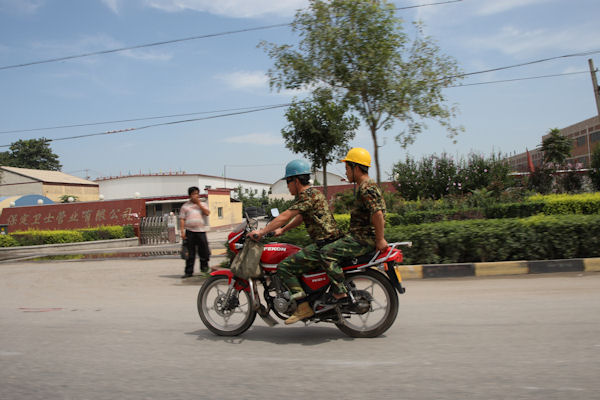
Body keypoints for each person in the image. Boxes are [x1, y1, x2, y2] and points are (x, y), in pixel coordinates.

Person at [249, 159, 343, 325]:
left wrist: (262, 231)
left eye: (288, 182)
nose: (288, 186)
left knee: (285, 267)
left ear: (296, 180)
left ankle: (302, 306)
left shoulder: (306, 196)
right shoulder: (314, 194)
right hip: (330, 241)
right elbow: (300, 217)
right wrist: (283, 230)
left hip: (324, 244)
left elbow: (286, 215)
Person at [320, 147, 387, 302]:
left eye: (347, 168)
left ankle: (340, 293)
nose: (346, 172)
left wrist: (380, 239)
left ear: (355, 168)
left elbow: (377, 214)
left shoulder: (366, 188)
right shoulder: (368, 185)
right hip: (360, 237)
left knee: (325, 253)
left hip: (362, 240)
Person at [179, 186, 211, 278]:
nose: (195, 195)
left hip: (201, 231)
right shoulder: (185, 206)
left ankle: (204, 270)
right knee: (190, 253)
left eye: (197, 193)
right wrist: (182, 232)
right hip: (189, 231)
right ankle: (188, 272)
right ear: (190, 195)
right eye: (193, 194)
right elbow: (182, 219)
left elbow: (207, 213)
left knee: (204, 252)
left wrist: (199, 204)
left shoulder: (203, 204)